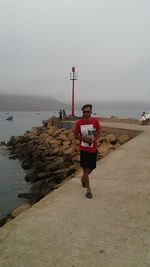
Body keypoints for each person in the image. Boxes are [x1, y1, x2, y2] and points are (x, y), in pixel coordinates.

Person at [74, 104, 101, 199]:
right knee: (85, 169)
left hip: (93, 148)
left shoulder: (95, 121)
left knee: (92, 167)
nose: (86, 113)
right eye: (84, 112)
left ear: (91, 112)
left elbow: (98, 132)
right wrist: (83, 138)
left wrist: (94, 139)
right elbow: (75, 135)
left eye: (88, 112)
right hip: (83, 149)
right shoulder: (79, 123)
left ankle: (83, 178)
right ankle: (88, 190)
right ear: (82, 112)